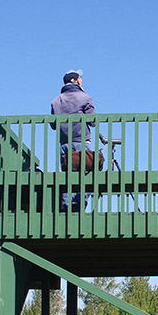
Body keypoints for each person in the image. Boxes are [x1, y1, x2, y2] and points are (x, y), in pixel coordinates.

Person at [50, 69, 95, 212]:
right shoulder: (85, 97)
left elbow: (53, 125)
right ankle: (79, 205)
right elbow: (93, 121)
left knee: (67, 175)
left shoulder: (56, 101)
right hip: (81, 141)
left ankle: (66, 205)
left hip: (64, 143)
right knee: (87, 174)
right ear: (77, 81)